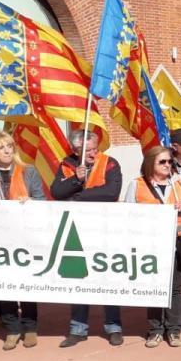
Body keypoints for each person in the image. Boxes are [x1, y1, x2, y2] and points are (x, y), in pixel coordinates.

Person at [51, 129, 125, 347]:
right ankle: (77, 328)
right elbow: (56, 191)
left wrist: (78, 196)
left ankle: (113, 327)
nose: (92, 153)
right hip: (77, 231)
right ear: (75, 150)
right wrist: (76, 179)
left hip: (104, 229)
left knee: (106, 278)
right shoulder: (67, 165)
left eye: (94, 148)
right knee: (77, 276)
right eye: (87, 150)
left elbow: (111, 192)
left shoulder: (110, 163)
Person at [0, 130, 46, 350]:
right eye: (1, 147)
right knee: (4, 283)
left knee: (25, 281)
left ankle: (30, 326)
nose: (6, 151)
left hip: (23, 235)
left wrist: (30, 200)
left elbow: (41, 199)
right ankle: (12, 328)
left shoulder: (28, 170)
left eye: (9, 146)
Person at [125, 146, 181, 348]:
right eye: (162, 162)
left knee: (175, 288)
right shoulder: (136, 185)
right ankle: (155, 330)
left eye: (169, 161)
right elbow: (128, 215)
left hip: (176, 241)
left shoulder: (179, 182)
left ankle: (174, 329)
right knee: (154, 288)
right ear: (150, 163)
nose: (167, 165)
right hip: (150, 245)